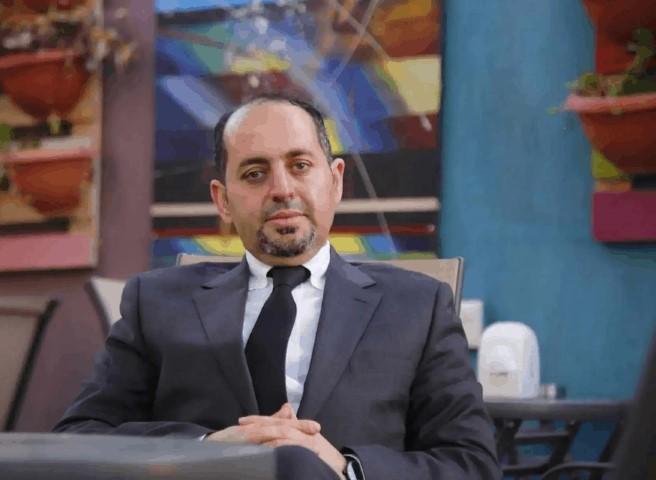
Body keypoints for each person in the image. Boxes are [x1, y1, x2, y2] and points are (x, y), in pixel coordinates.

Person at [54, 94, 500, 479]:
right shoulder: (156, 302)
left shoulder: (418, 307)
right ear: (222, 200)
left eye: (300, 165)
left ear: (335, 180)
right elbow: (79, 438)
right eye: (254, 174)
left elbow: (471, 463)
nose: (282, 189)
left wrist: (344, 467)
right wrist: (205, 448)